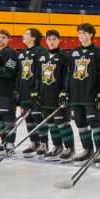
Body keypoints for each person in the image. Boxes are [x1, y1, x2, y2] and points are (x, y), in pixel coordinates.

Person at [67, 23, 100, 165]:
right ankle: (87, 150)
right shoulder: (73, 53)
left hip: (91, 95)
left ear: (91, 35)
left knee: (96, 124)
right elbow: (69, 74)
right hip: (76, 96)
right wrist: (67, 93)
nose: (81, 36)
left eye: (84, 33)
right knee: (81, 124)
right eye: (79, 33)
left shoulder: (99, 52)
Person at [39, 29, 75, 161]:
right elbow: (38, 76)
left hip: (59, 95)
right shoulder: (42, 56)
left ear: (59, 40)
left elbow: (68, 75)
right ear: (46, 40)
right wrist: (37, 93)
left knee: (62, 123)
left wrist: (65, 91)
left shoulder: (64, 56)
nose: (52, 42)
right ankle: (57, 146)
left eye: (54, 39)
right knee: (50, 123)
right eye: (49, 39)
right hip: (45, 95)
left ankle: (70, 148)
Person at [17, 28, 49, 156]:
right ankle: (34, 142)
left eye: (26, 34)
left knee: (38, 117)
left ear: (34, 38)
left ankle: (44, 143)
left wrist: (39, 91)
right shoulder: (22, 53)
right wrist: (16, 90)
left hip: (36, 91)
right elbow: (19, 73)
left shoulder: (41, 52)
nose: (23, 35)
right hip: (24, 91)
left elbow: (42, 73)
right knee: (28, 119)